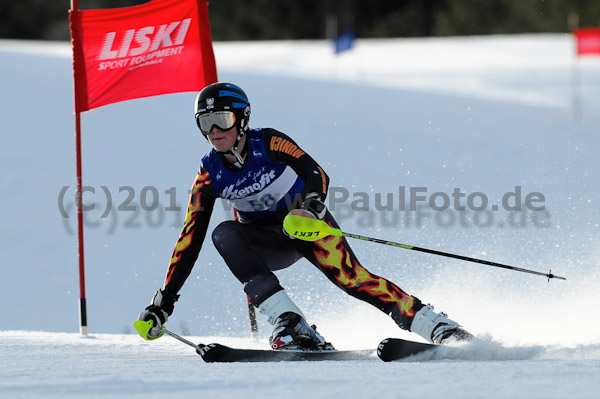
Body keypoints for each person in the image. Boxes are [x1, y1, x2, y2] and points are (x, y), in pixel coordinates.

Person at [137, 82, 471, 350]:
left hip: (306, 227)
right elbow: (189, 237)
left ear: (242, 120)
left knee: (352, 280)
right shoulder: (209, 174)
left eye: (221, 121)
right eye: (204, 123)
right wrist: (164, 303)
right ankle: (290, 322)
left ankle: (434, 324)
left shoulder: (267, 142)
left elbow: (317, 173)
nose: (213, 131)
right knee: (223, 233)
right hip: (268, 242)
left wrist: (309, 207)